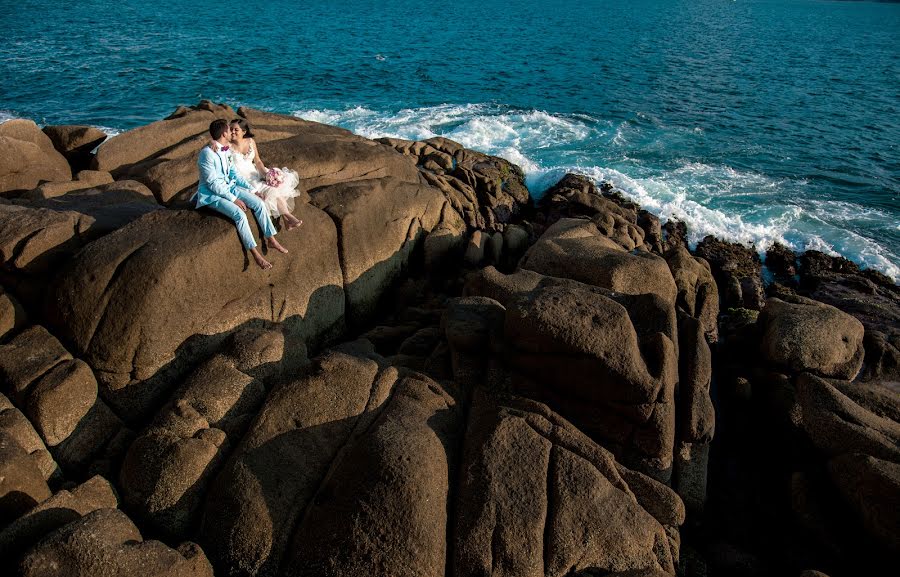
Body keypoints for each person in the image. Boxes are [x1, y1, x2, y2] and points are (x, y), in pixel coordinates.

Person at [193, 118, 288, 270]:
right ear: (225, 133)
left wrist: (253, 190)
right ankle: (255, 254)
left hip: (230, 187)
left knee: (259, 203)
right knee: (240, 214)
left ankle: (271, 239)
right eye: (230, 130)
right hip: (212, 195)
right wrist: (234, 199)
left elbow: (235, 175)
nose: (232, 131)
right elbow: (212, 183)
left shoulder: (225, 150)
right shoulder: (207, 154)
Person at [228, 119, 303, 230]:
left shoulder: (250, 141)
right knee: (269, 191)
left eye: (236, 129)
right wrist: (213, 142)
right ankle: (289, 218)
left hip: (254, 173)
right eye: (230, 129)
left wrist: (266, 174)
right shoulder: (227, 145)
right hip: (241, 179)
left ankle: (287, 220)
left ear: (243, 131)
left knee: (274, 188)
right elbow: (213, 142)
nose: (232, 132)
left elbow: (257, 161)